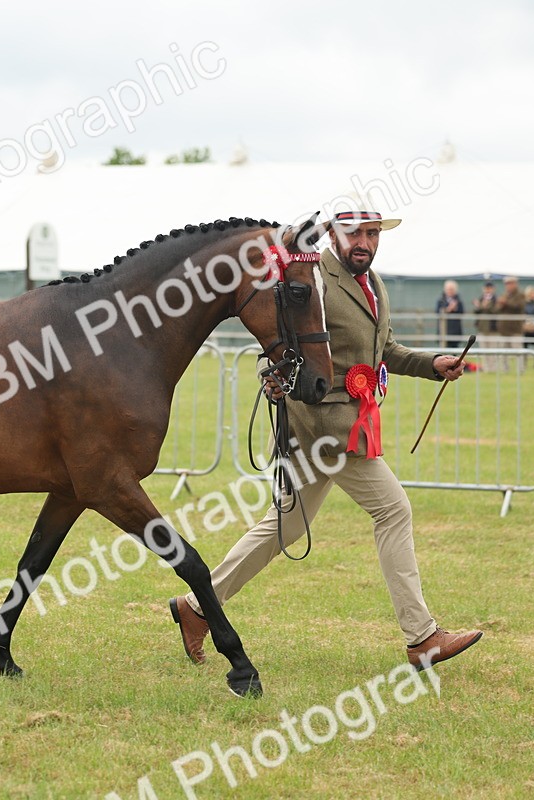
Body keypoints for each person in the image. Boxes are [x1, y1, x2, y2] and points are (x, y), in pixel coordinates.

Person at [169, 202, 482, 671]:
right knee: (393, 509)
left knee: (286, 528)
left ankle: (196, 609)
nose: (365, 243)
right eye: (356, 234)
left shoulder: (372, 284)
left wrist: (431, 365)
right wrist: (270, 376)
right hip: (325, 428)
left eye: (373, 234)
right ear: (334, 234)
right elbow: (278, 341)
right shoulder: (312, 279)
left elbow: (383, 350)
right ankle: (422, 638)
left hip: (348, 423)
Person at [495, 276, 527, 374]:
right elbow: (497, 309)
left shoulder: (520, 295)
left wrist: (505, 302)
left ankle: (520, 370)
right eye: (506, 284)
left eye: (510, 283)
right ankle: (505, 370)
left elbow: (518, 306)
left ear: (515, 284)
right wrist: (500, 304)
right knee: (503, 352)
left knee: (518, 351)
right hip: (503, 329)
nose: (507, 286)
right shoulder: (505, 295)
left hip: (515, 329)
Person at [436, 280, 464, 349]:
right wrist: (448, 309)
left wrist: (455, 309)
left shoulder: (459, 301)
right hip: (443, 331)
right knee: (444, 353)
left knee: (454, 352)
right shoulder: (440, 300)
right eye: (449, 289)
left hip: (455, 331)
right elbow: (437, 312)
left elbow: (462, 312)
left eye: (452, 289)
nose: (450, 291)